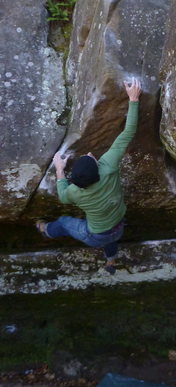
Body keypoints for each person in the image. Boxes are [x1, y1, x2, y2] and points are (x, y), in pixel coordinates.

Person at [36, 78, 141, 274]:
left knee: (66, 222)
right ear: (97, 168)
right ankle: (110, 262)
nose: (89, 154)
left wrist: (59, 169)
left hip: (97, 234)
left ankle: (46, 229)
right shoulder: (108, 166)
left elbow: (62, 194)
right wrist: (133, 100)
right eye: (90, 157)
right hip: (118, 224)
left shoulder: (74, 192)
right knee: (108, 237)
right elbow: (128, 133)